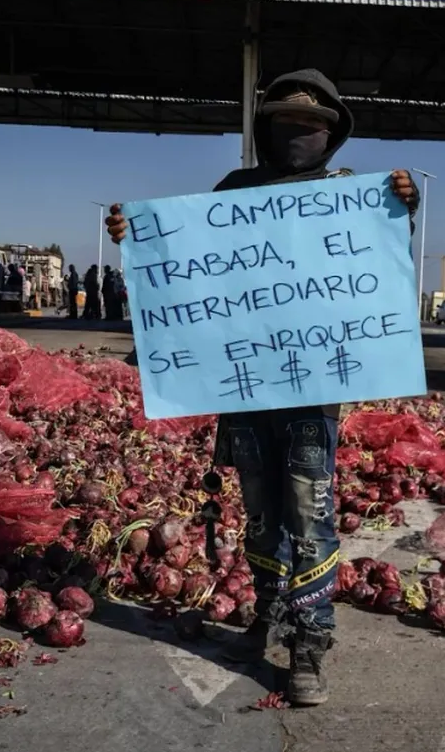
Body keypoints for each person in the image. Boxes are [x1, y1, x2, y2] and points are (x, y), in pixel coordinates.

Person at [105, 68, 420, 707]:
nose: (299, 135)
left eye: (313, 127)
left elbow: (375, 259)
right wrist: (134, 236)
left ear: (333, 134)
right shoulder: (237, 190)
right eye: (286, 125)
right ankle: (269, 613)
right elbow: (190, 265)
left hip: (311, 396)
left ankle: (310, 644)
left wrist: (401, 207)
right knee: (259, 515)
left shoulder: (347, 194)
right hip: (246, 392)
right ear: (264, 129)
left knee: (310, 516)